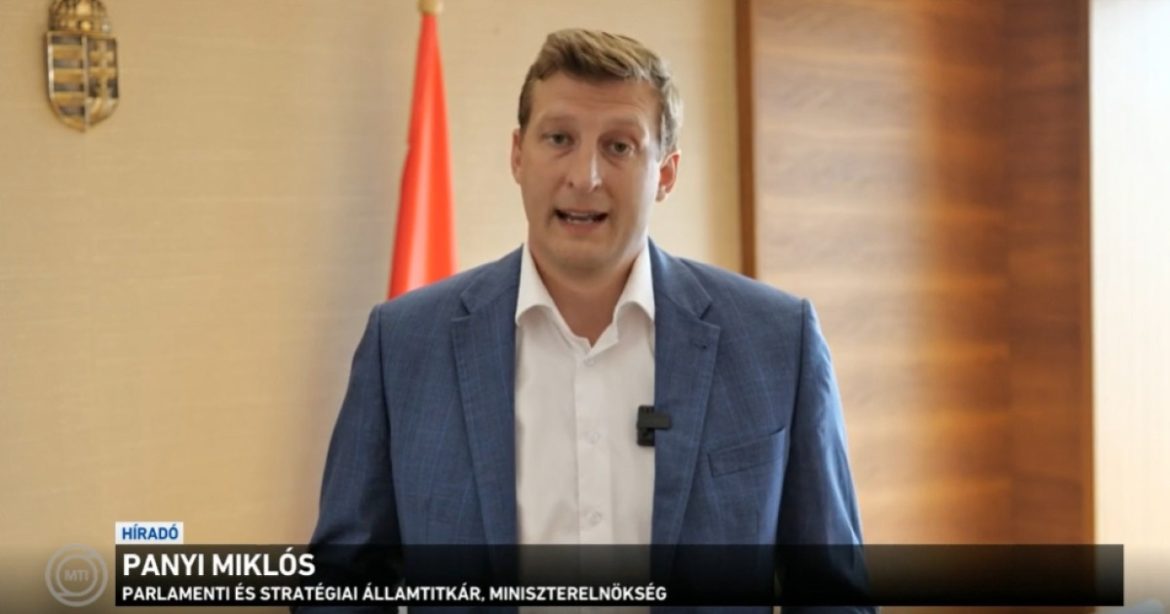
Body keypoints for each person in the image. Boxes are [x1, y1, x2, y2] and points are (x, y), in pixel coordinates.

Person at [309, 28, 866, 610]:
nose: (585, 177)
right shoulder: (402, 345)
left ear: (666, 173)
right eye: (559, 138)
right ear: (518, 155)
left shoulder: (778, 343)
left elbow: (833, 594)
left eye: (619, 146)